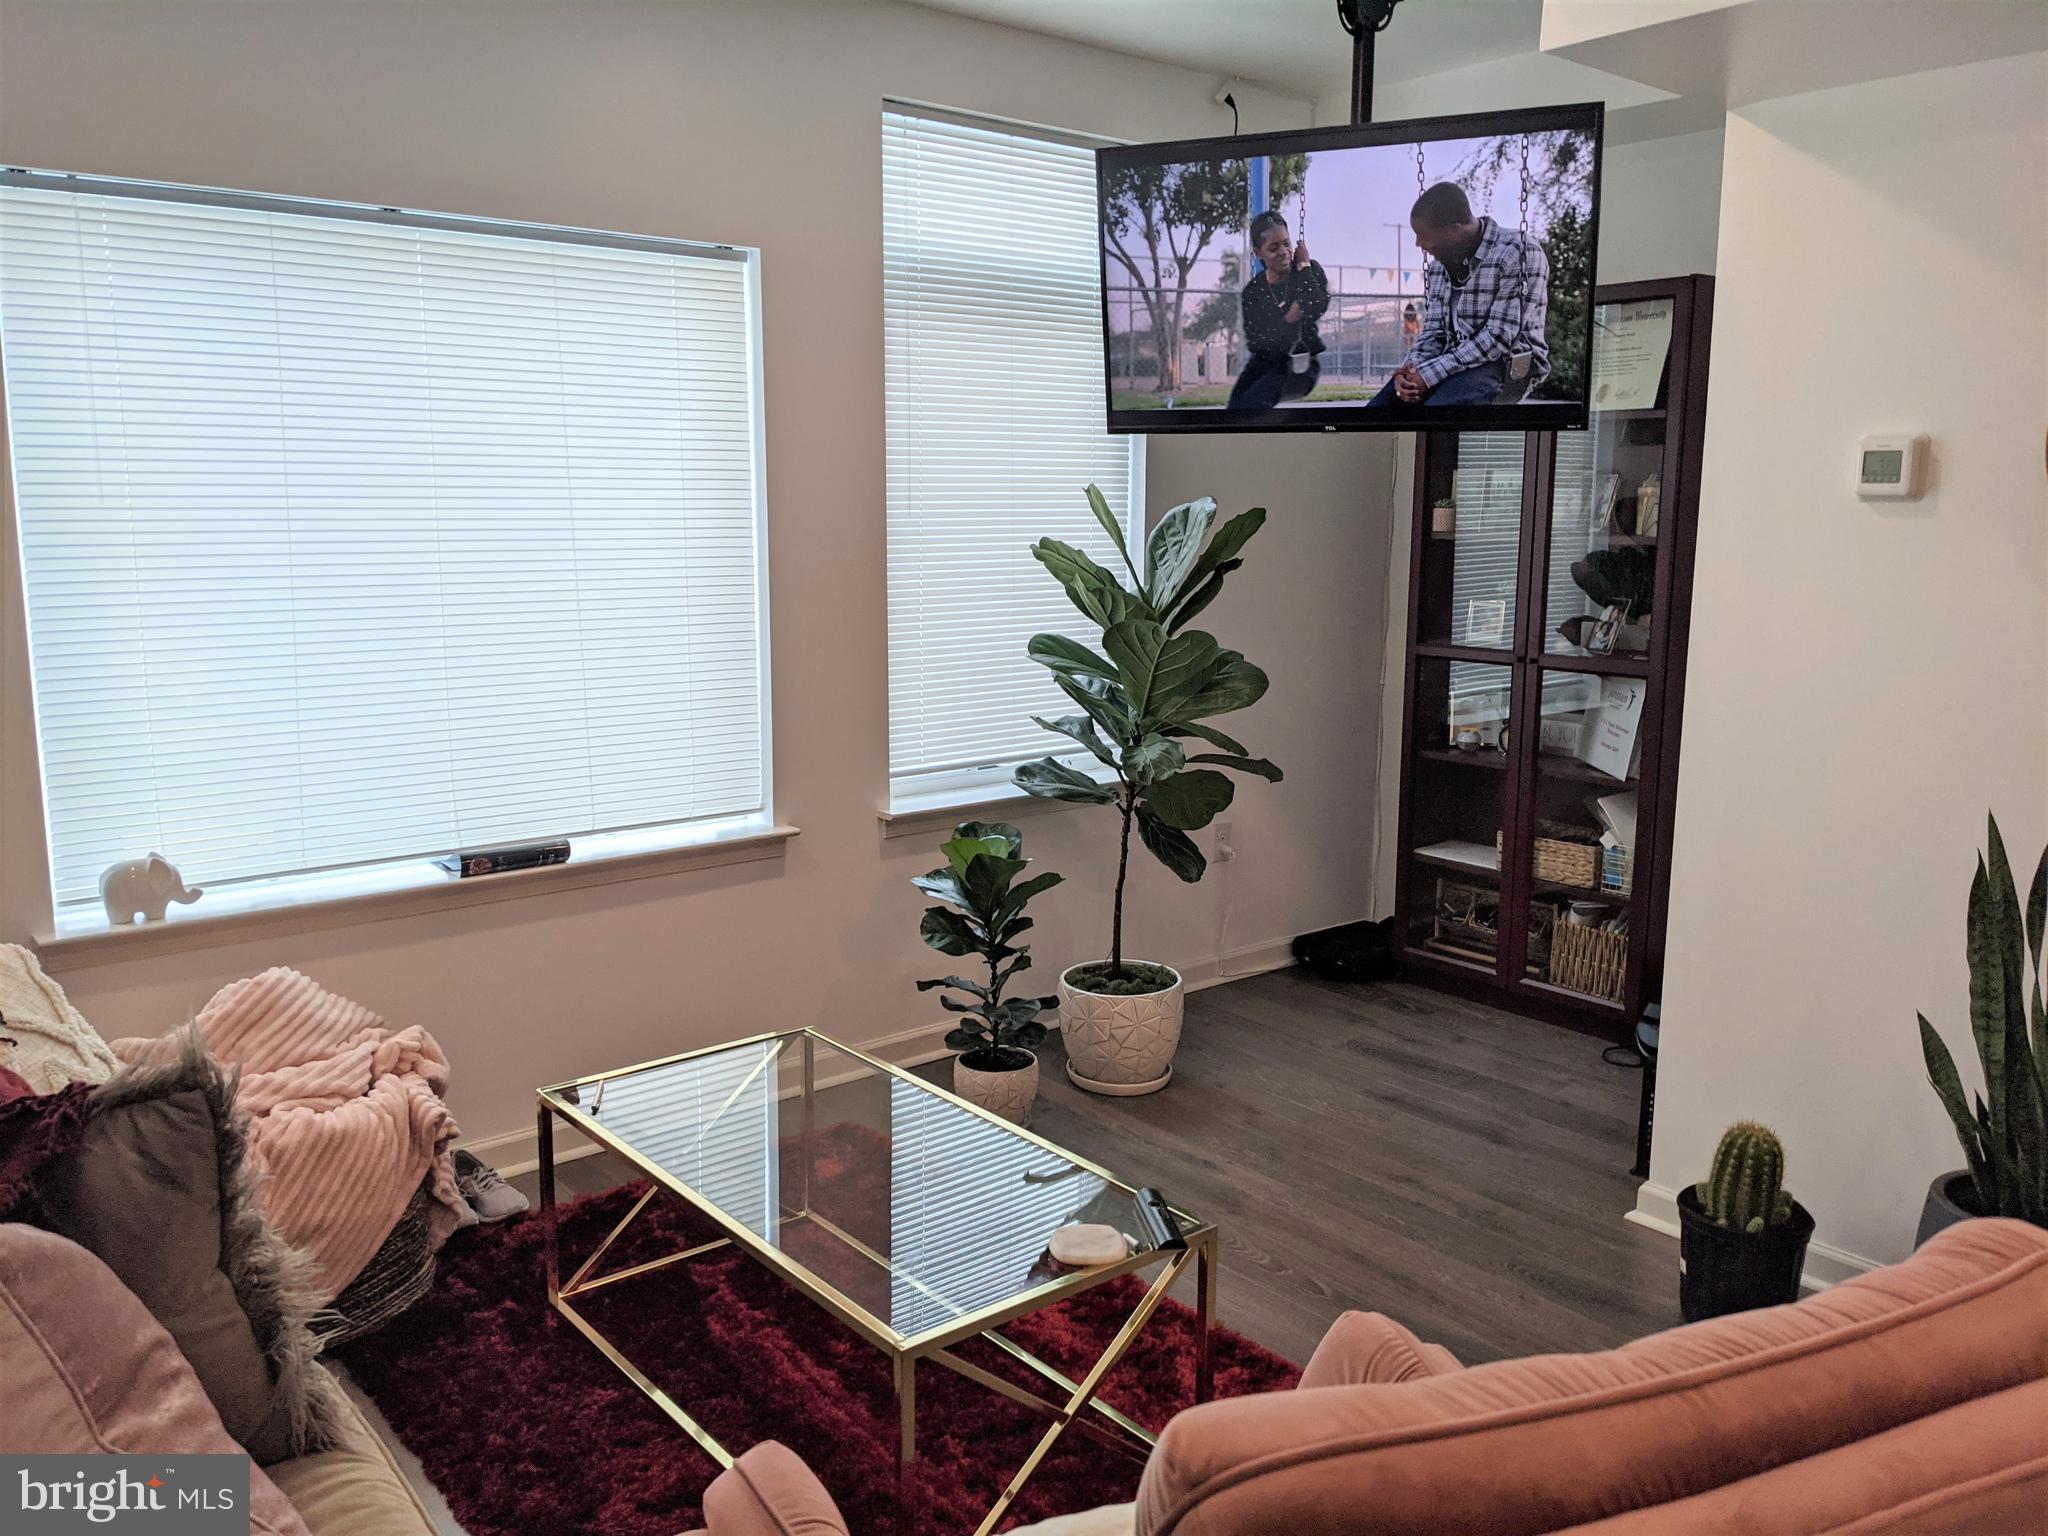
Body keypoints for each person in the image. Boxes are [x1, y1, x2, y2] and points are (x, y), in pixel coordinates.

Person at [1367, 182, 1549, 408]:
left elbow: (1499, 338)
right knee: (1379, 409)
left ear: (1454, 229)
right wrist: (1410, 369)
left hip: (1505, 364)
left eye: (1423, 236)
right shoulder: (1437, 268)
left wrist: (1430, 374)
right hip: (1451, 359)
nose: (1419, 244)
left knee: (1438, 409)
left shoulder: (1518, 252)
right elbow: (1434, 332)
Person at [1226, 211, 1330, 413]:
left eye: (1286, 244)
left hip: (1299, 363)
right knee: (1235, 406)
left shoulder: (1308, 270)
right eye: (1274, 248)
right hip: (1264, 362)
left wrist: (1304, 265)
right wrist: (1288, 319)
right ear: (1259, 253)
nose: (1283, 251)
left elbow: (1316, 305)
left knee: (1253, 404)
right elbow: (1257, 341)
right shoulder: (1253, 292)